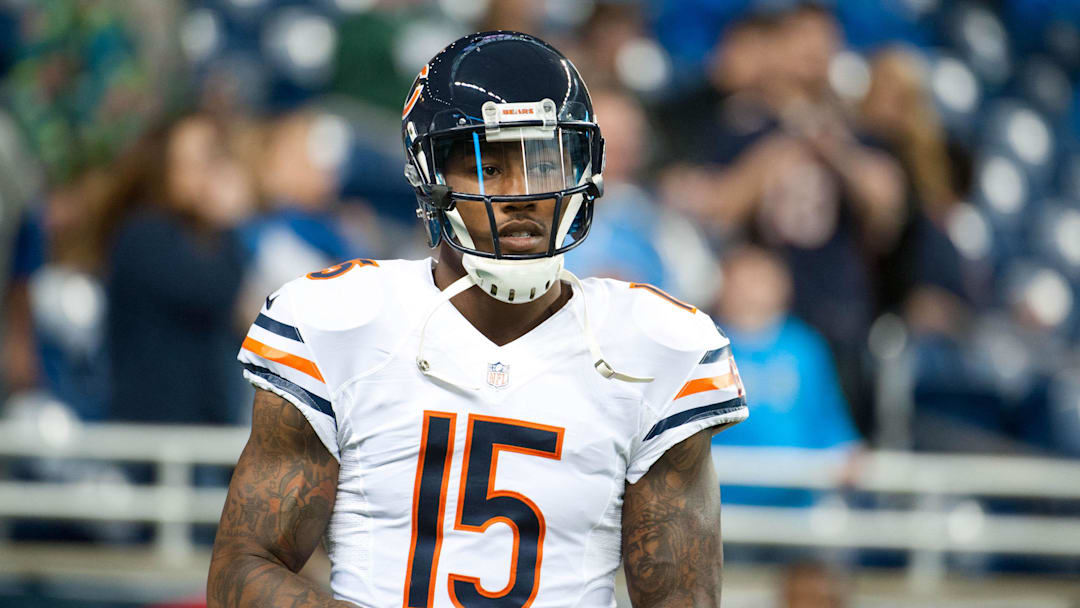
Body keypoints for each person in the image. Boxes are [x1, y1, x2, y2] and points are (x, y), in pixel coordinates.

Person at [208, 31, 749, 608]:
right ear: (432, 177)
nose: (520, 194)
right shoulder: (340, 323)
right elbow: (243, 570)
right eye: (487, 165)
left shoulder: (652, 348)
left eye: (542, 161)